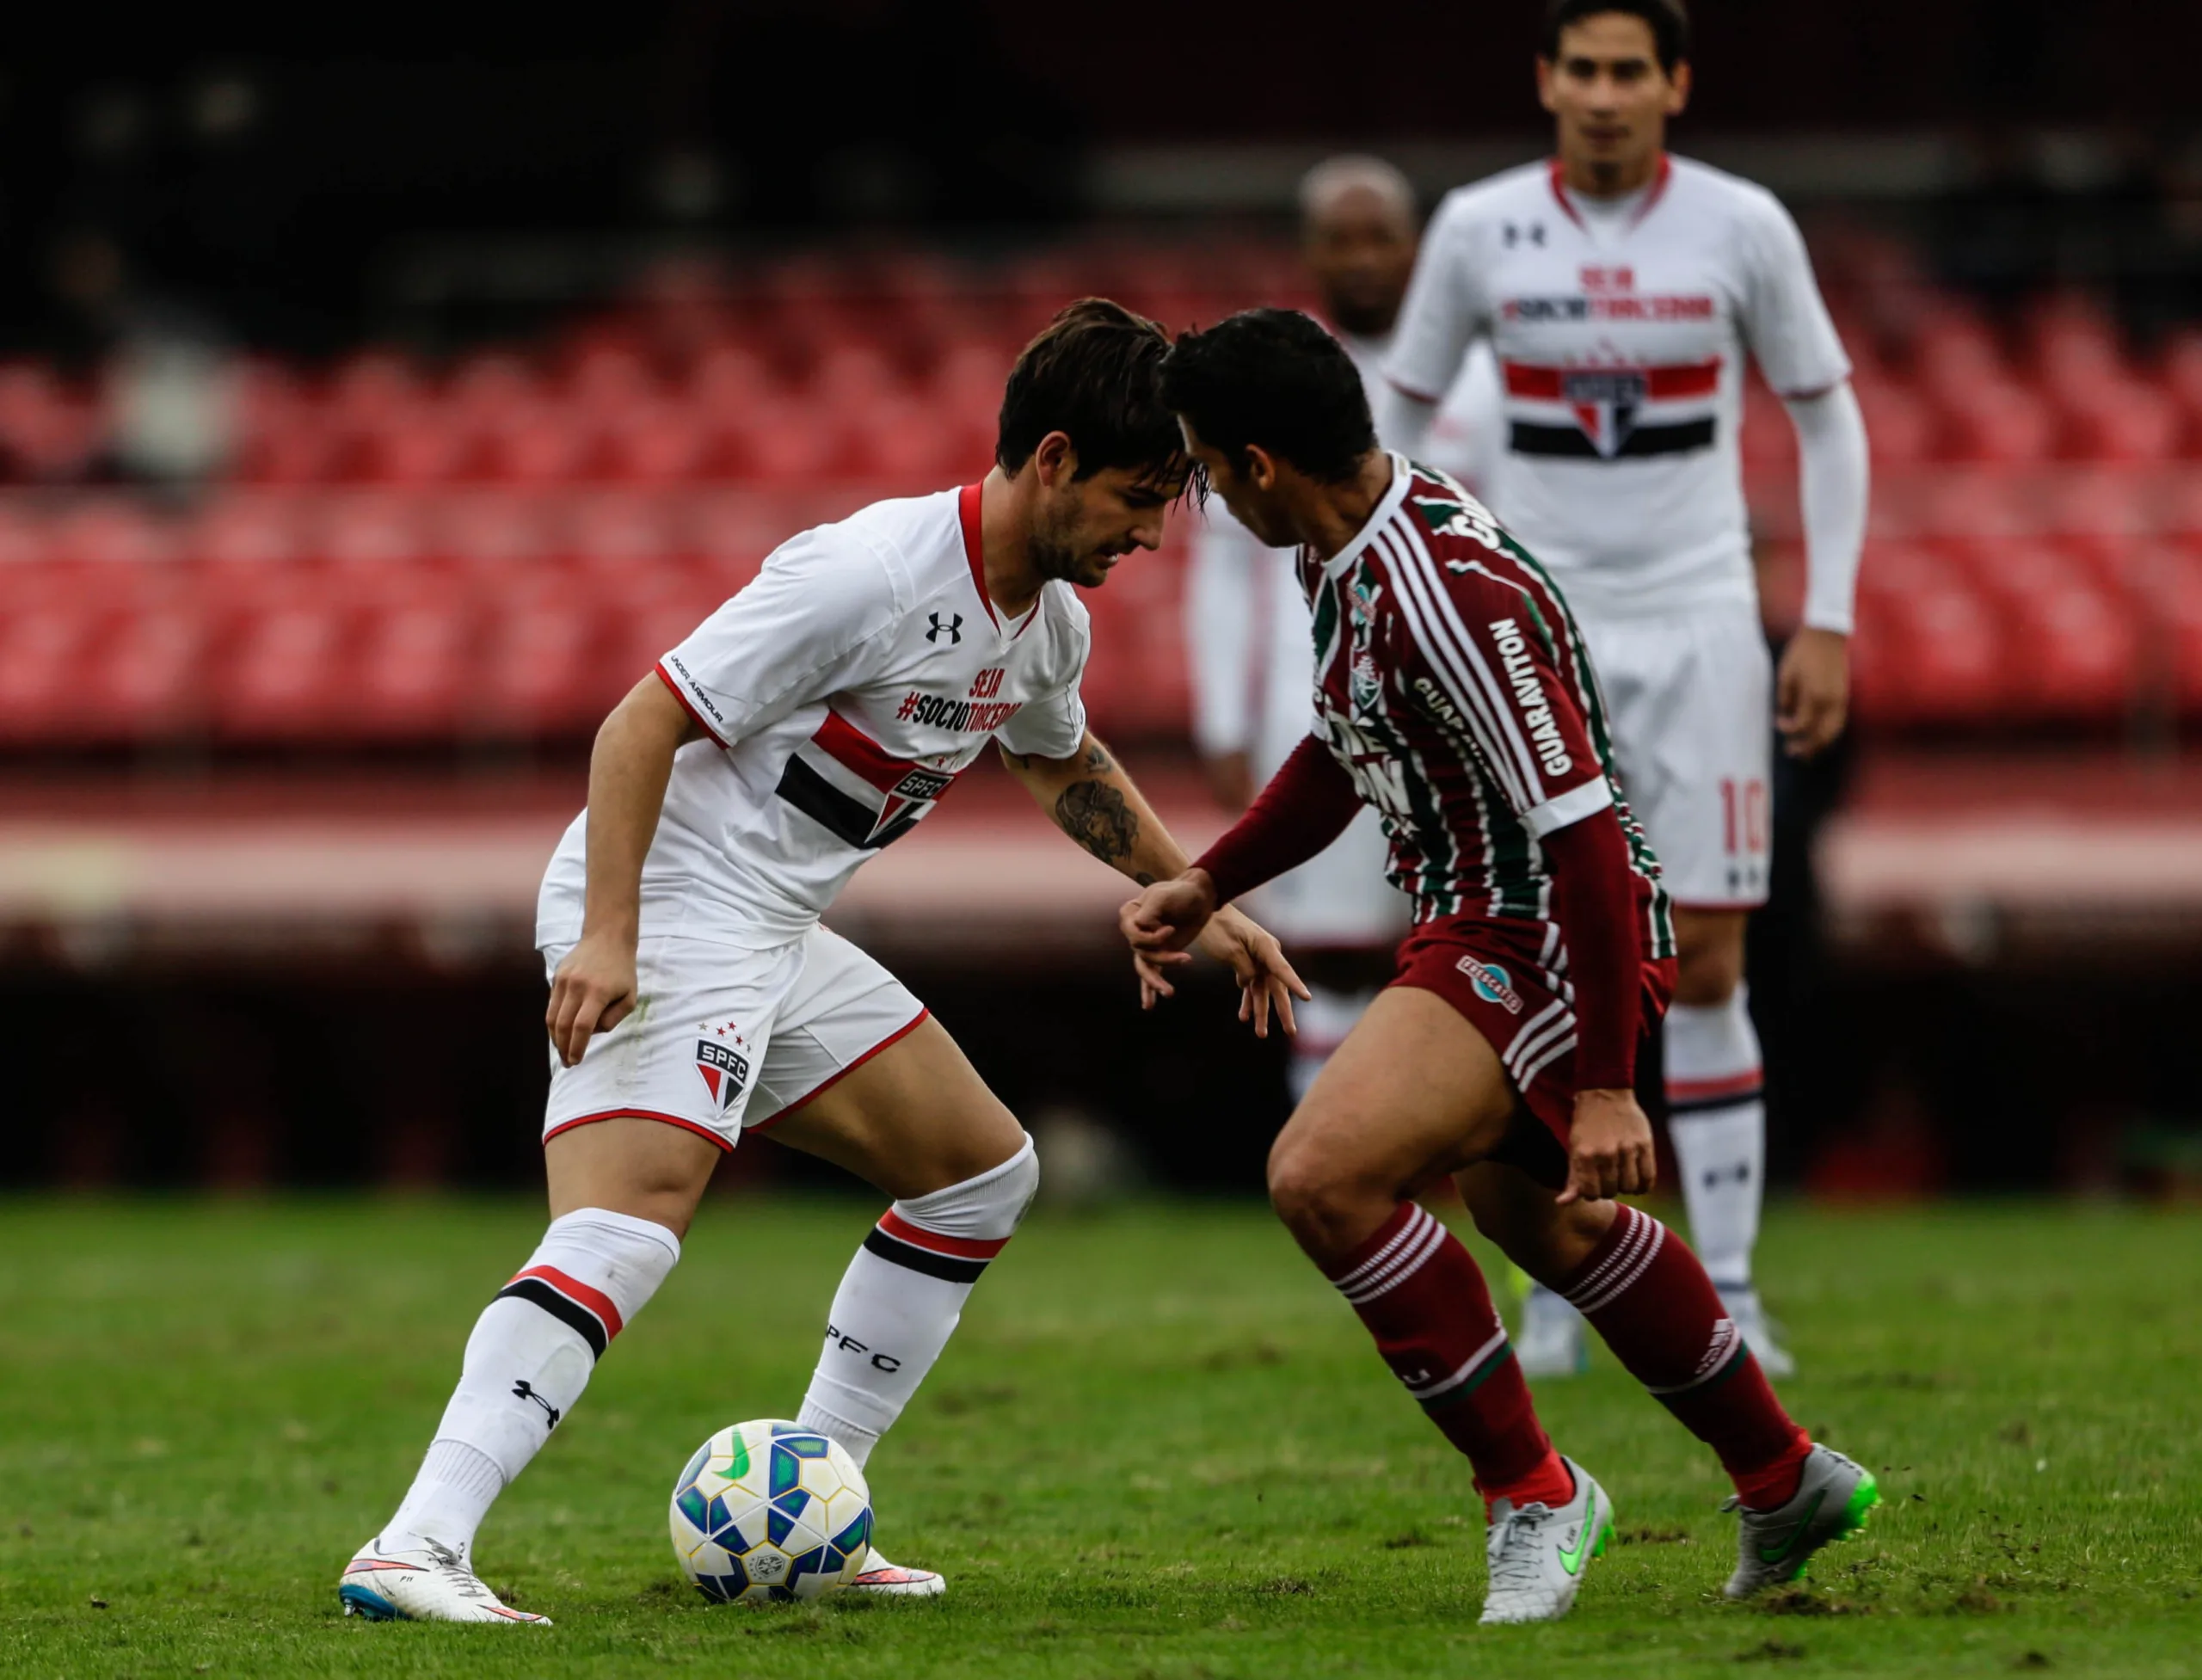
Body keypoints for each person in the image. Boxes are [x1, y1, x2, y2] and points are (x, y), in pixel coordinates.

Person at [338, 299, 1306, 1625]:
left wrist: (1198, 891)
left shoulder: (1047, 624)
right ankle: (414, 1544)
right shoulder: (870, 571)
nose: (1150, 534)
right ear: (1054, 458)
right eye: (1139, 499)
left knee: (977, 1175)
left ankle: (814, 1513)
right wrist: (612, 935)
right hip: (670, 904)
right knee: (626, 1224)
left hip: (769, 931)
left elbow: (1056, 755)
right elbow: (639, 724)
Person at [1131, 309, 1875, 1625]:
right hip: (1477, 916)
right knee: (1547, 1223)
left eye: (1199, 466)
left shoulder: (1444, 592)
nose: (1198, 495)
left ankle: (1532, 1489)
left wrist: (1606, 1085)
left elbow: (1585, 836)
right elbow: (1342, 745)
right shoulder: (1343, 543)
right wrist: (1211, 879)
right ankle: (1783, 1474)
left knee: (1319, 1175)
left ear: (1257, 463)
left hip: (1541, 929)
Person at [1375, 0, 1870, 1377]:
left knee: (1707, 958)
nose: (1603, 94)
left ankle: (1740, 1290)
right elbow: (1398, 421)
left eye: (1628, 71)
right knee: (1533, 946)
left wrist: (1821, 618)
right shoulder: (1477, 228)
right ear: (1544, 81)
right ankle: (1557, 1276)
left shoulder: (1742, 224)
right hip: (1537, 625)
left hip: (1704, 619)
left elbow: (1827, 413)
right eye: (1580, 70)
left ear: (1675, 85)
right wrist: (1413, 592)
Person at [1186, 156, 1500, 1105]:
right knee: (1328, 950)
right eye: (1340, 239)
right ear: (1310, 252)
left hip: (1459, 698)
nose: (1362, 259)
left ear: (1417, 247)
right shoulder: (1267, 380)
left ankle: (1491, 1189)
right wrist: (1220, 724)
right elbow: (1223, 570)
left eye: (1381, 237)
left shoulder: (1480, 380)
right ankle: (1350, 1205)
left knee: (1481, 940)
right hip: (1313, 694)